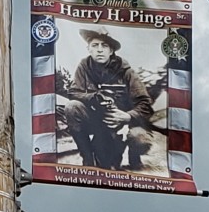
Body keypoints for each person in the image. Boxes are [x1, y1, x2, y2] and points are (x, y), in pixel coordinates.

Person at [63, 27, 153, 169]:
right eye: (95, 45)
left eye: (104, 46)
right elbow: (73, 92)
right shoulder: (84, 66)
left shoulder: (126, 71)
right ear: (89, 49)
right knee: (71, 107)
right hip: (98, 120)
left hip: (124, 122)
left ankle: (134, 156)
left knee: (139, 138)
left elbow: (145, 105)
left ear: (111, 51)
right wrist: (93, 97)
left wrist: (127, 116)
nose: (99, 50)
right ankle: (87, 158)